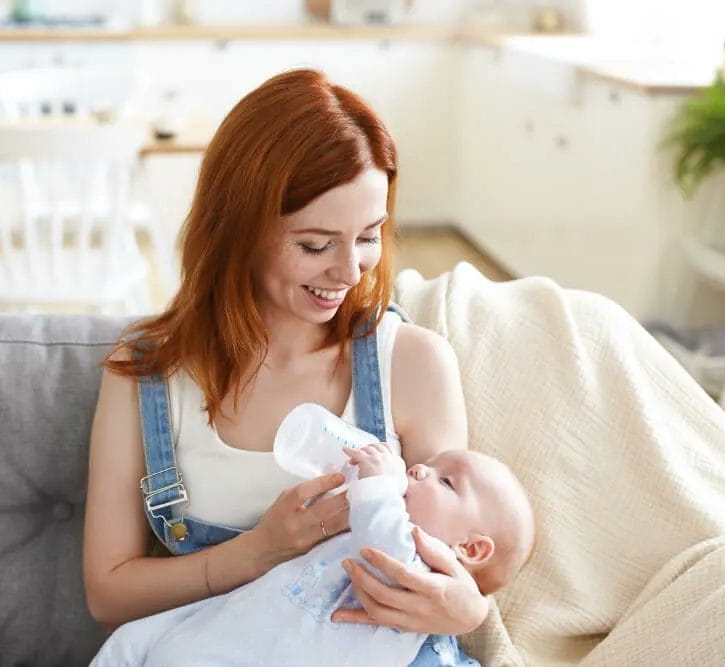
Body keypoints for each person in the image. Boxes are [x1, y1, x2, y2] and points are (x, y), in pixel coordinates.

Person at [83, 68, 489, 665]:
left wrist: (469, 610)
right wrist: (259, 551)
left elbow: (448, 566)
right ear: (239, 231)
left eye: (369, 236)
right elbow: (108, 591)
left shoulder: (413, 363)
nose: (350, 272)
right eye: (315, 245)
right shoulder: (146, 377)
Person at [88, 439, 535, 667]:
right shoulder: (364, 531)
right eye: (431, 465)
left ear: (470, 549)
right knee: (128, 641)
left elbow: (387, 543)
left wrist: (379, 483)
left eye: (445, 481)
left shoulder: (417, 576)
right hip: (206, 637)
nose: (419, 468)